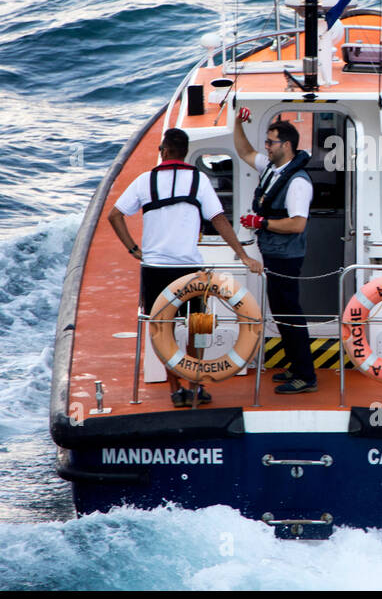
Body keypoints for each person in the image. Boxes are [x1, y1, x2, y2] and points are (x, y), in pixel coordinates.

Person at [108, 127, 262, 407]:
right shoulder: (199, 180)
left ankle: (175, 389)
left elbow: (115, 215)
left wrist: (133, 250)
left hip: (155, 269)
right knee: (197, 328)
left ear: (164, 151)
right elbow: (219, 220)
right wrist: (243, 255)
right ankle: (196, 384)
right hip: (190, 271)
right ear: (185, 153)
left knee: (162, 329)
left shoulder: (145, 180)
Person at [232, 109, 316, 394]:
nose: (266, 147)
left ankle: (306, 376)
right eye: (267, 142)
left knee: (290, 313)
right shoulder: (271, 169)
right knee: (281, 313)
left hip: (287, 257)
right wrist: (237, 122)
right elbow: (244, 151)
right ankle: (295, 366)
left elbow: (297, 224)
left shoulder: (298, 183)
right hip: (273, 253)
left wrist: (261, 222)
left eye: (271, 142)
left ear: (287, 146)